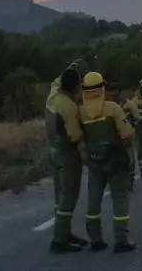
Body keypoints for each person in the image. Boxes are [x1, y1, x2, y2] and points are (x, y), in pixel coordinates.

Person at [79, 72, 137, 253]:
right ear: (102, 87)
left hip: (95, 163)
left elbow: (77, 138)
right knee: (120, 199)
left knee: (93, 202)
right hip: (116, 163)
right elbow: (127, 135)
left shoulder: (80, 112)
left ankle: (95, 239)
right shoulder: (113, 108)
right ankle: (121, 239)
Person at [46, 66, 87, 252]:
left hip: (53, 151)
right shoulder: (69, 107)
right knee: (69, 195)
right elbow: (75, 136)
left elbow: (55, 80)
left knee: (59, 196)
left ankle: (65, 232)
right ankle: (59, 240)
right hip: (67, 154)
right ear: (76, 86)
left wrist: (70, 67)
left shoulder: (53, 95)